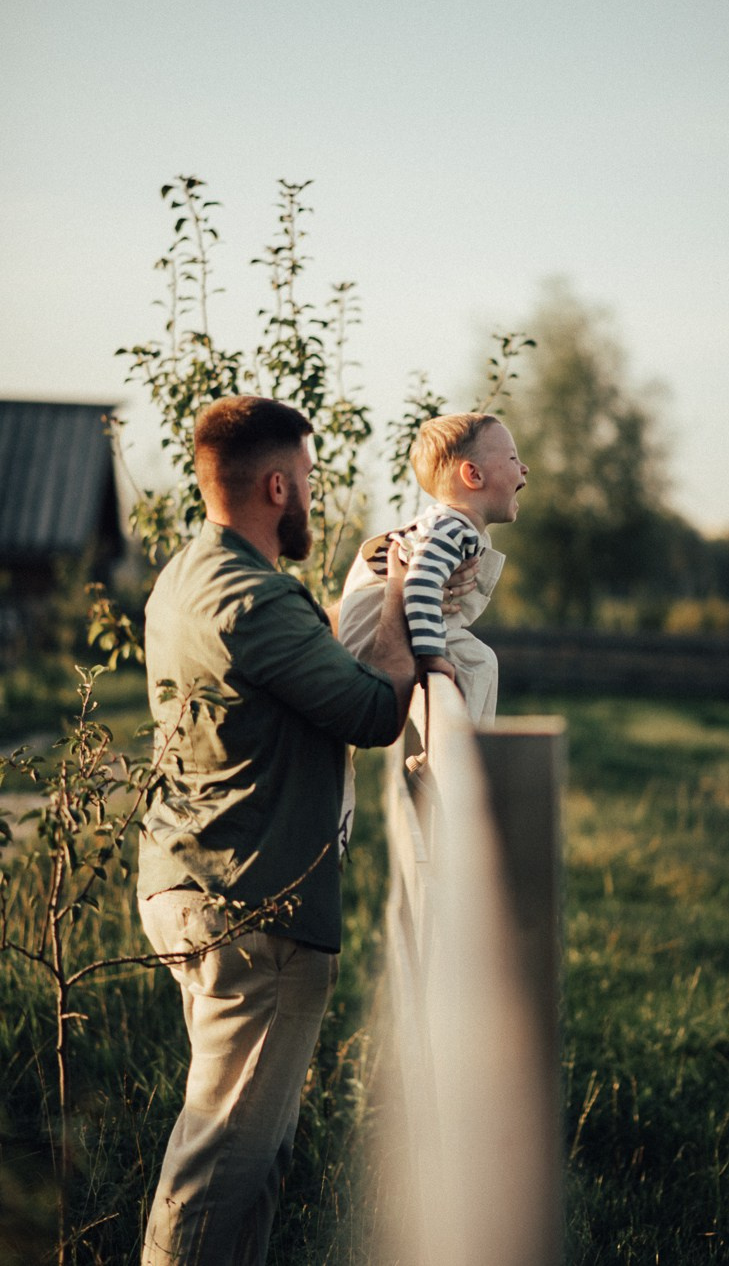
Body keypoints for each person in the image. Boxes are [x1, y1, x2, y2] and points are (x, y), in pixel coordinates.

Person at [137, 395, 430, 1266]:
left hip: (188, 883)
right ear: (276, 484)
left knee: (249, 1153)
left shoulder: (184, 574)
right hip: (255, 909)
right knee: (223, 1158)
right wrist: (406, 596)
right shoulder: (257, 602)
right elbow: (375, 709)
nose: (311, 494)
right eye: (306, 479)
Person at [338, 413, 527, 811]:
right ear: (472, 475)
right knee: (478, 663)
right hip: (377, 622)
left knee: (476, 663)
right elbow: (420, 584)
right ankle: (457, 767)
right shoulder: (451, 528)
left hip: (378, 621)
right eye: (512, 459)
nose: (524, 468)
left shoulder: (449, 525)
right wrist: (430, 656)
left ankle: (444, 760)